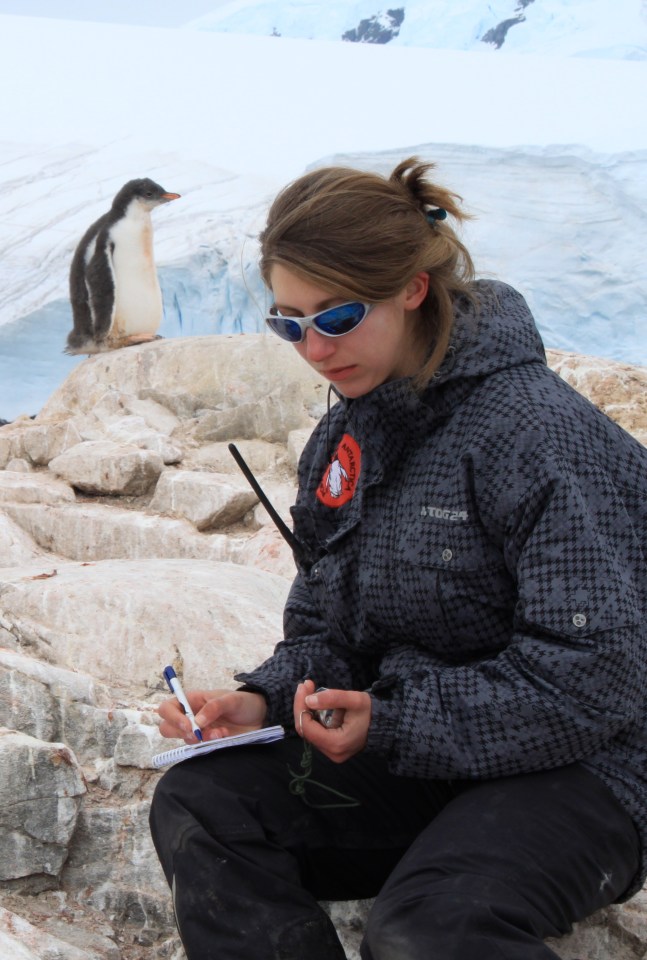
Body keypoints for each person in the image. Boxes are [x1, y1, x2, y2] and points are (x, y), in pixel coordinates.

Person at [149, 158, 647, 960]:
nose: (313, 348)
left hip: (583, 769)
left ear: (412, 288)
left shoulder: (533, 435)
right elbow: (327, 627)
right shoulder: (345, 436)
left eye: (337, 316)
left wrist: (396, 721)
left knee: (428, 930)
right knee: (204, 803)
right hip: (417, 751)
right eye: (288, 323)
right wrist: (263, 701)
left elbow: (598, 679)